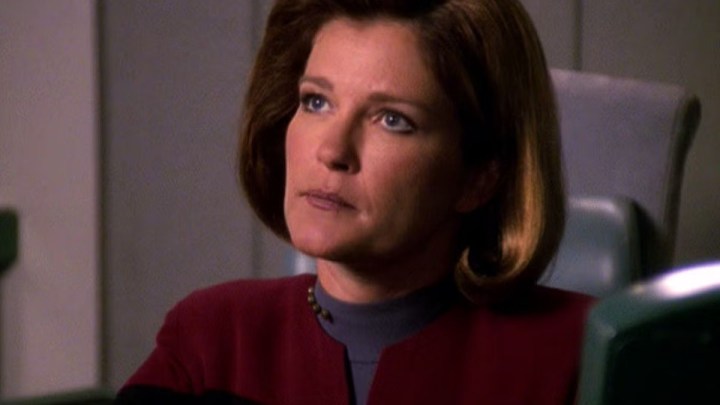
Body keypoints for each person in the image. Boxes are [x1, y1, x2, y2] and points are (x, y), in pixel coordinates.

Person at [116, 0, 593, 403]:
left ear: (479, 177)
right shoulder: (211, 337)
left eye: (392, 119)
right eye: (316, 102)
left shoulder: (581, 353)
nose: (332, 150)